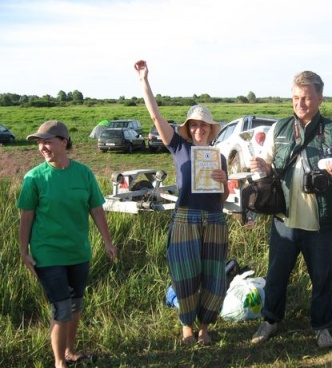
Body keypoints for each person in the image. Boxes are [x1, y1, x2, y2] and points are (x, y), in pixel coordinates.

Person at [249, 71, 332, 348]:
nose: (301, 103)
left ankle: (322, 326)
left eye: (307, 98)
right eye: (296, 97)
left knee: (321, 277)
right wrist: (262, 168)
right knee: (276, 274)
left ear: (320, 98)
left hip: (320, 221)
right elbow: (268, 164)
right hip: (284, 218)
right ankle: (270, 320)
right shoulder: (280, 128)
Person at [134, 60, 229, 346]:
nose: (199, 129)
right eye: (194, 124)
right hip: (185, 218)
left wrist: (224, 181)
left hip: (214, 219)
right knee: (185, 274)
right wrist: (144, 81)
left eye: (203, 125)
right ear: (189, 129)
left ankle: (204, 328)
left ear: (211, 130)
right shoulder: (179, 147)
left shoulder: (219, 156)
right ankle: (186, 325)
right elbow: (155, 117)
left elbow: (222, 198)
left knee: (213, 276)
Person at [17, 120, 118, 368]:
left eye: (48, 141)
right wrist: (23, 251)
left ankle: (70, 351)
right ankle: (59, 362)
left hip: (78, 252)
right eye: (40, 142)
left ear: (64, 142)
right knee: (61, 308)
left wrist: (107, 241)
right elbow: (26, 217)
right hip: (47, 254)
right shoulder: (34, 178)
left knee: (75, 305)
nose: (43, 146)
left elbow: (96, 209)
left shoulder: (83, 173)